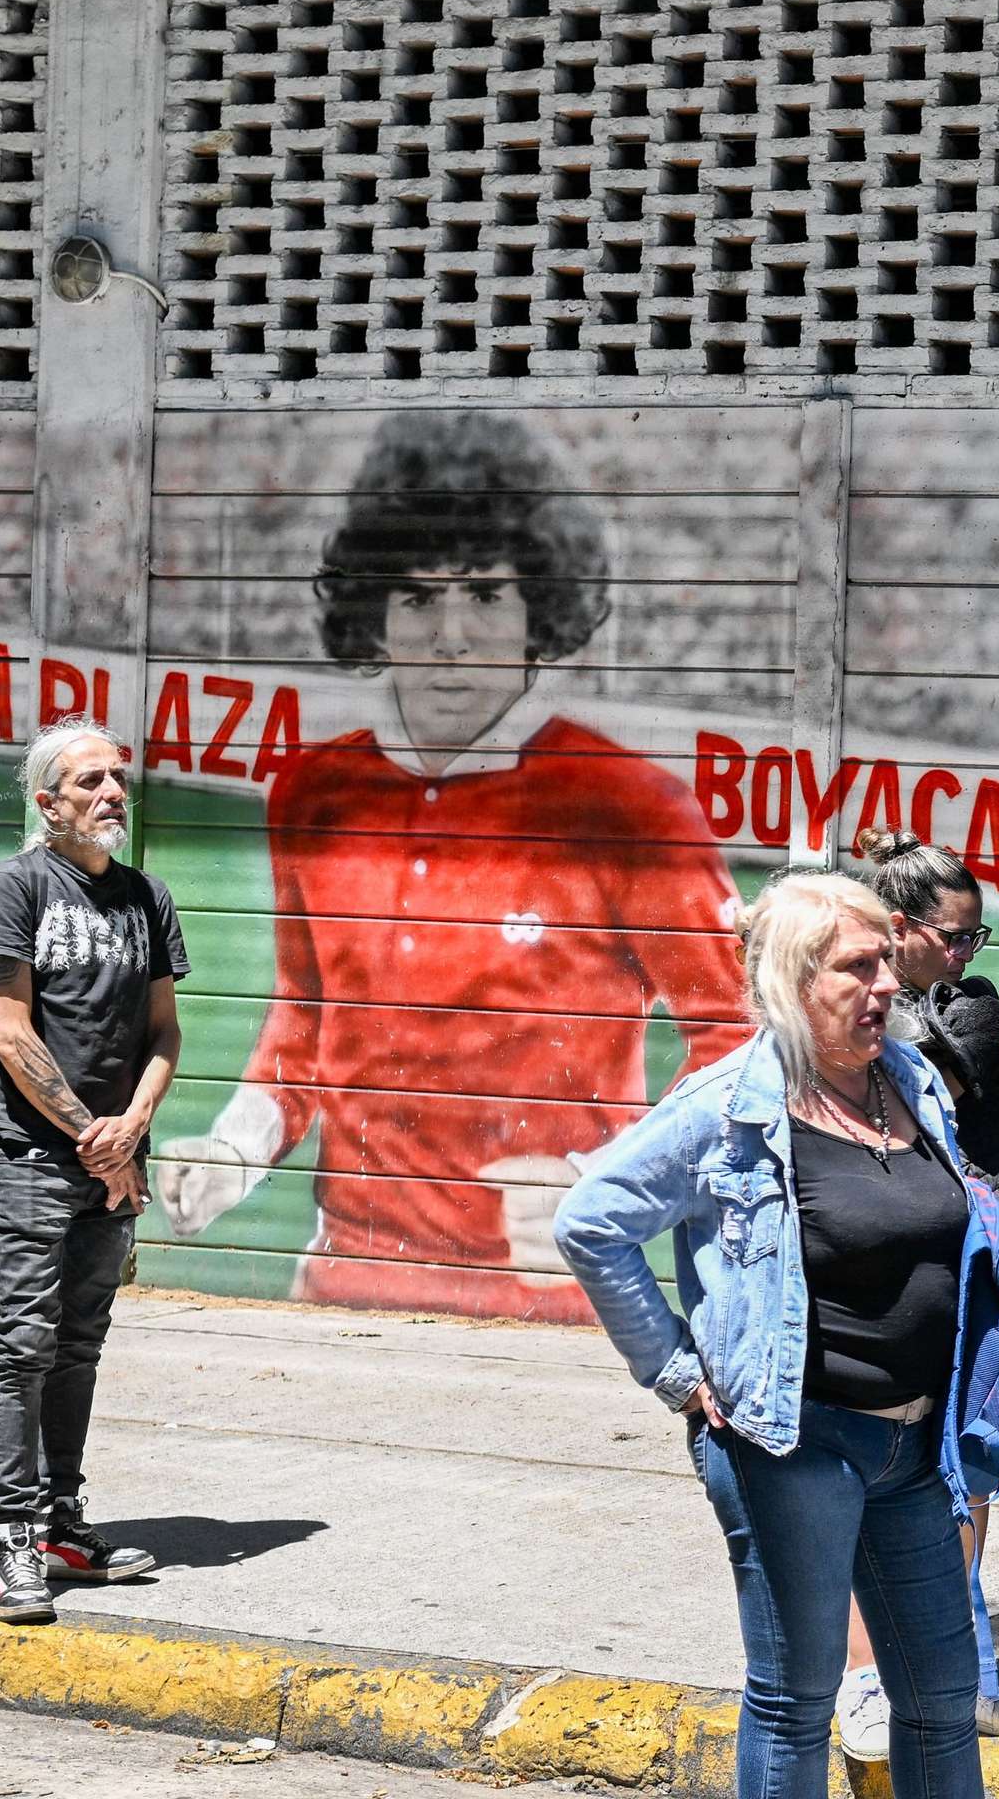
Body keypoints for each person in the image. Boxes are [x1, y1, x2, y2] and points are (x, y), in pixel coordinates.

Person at [153, 412, 752, 1319]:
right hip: (344, 1281)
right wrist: (233, 1151)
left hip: (553, 1299)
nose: (450, 636)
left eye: (483, 595)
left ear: (535, 610)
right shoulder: (314, 792)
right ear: (377, 614)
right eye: (419, 600)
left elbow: (737, 1039)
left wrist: (602, 1183)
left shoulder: (626, 805)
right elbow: (308, 1024)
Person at [552, 872, 999, 1799]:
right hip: (792, 1444)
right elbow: (591, 1222)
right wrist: (672, 1367)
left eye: (886, 963)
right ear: (798, 984)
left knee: (942, 1698)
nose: (886, 986)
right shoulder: (728, 1109)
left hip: (919, 1445)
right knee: (796, 1701)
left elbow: (936, 1222)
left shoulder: (910, 1079)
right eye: (858, 966)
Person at [831, 830, 999, 1756]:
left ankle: (954, 1665)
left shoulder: (968, 1004)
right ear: (898, 929)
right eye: (955, 938)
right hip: (911, 1273)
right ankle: (896, 1674)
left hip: (995, 1252)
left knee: (971, 1463)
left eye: (977, 941)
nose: (967, 958)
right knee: (917, 1471)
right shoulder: (864, 1018)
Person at [0, 721, 184, 1622]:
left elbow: (164, 1033)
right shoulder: (12, 890)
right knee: (25, 1347)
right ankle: (9, 1539)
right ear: (48, 804)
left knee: (80, 1344)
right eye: (91, 782)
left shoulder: (144, 896)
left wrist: (135, 1126)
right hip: (38, 1156)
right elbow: (9, 1034)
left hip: (112, 1155)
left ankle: (62, 1527)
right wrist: (98, 1139)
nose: (113, 795)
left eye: (118, 779)